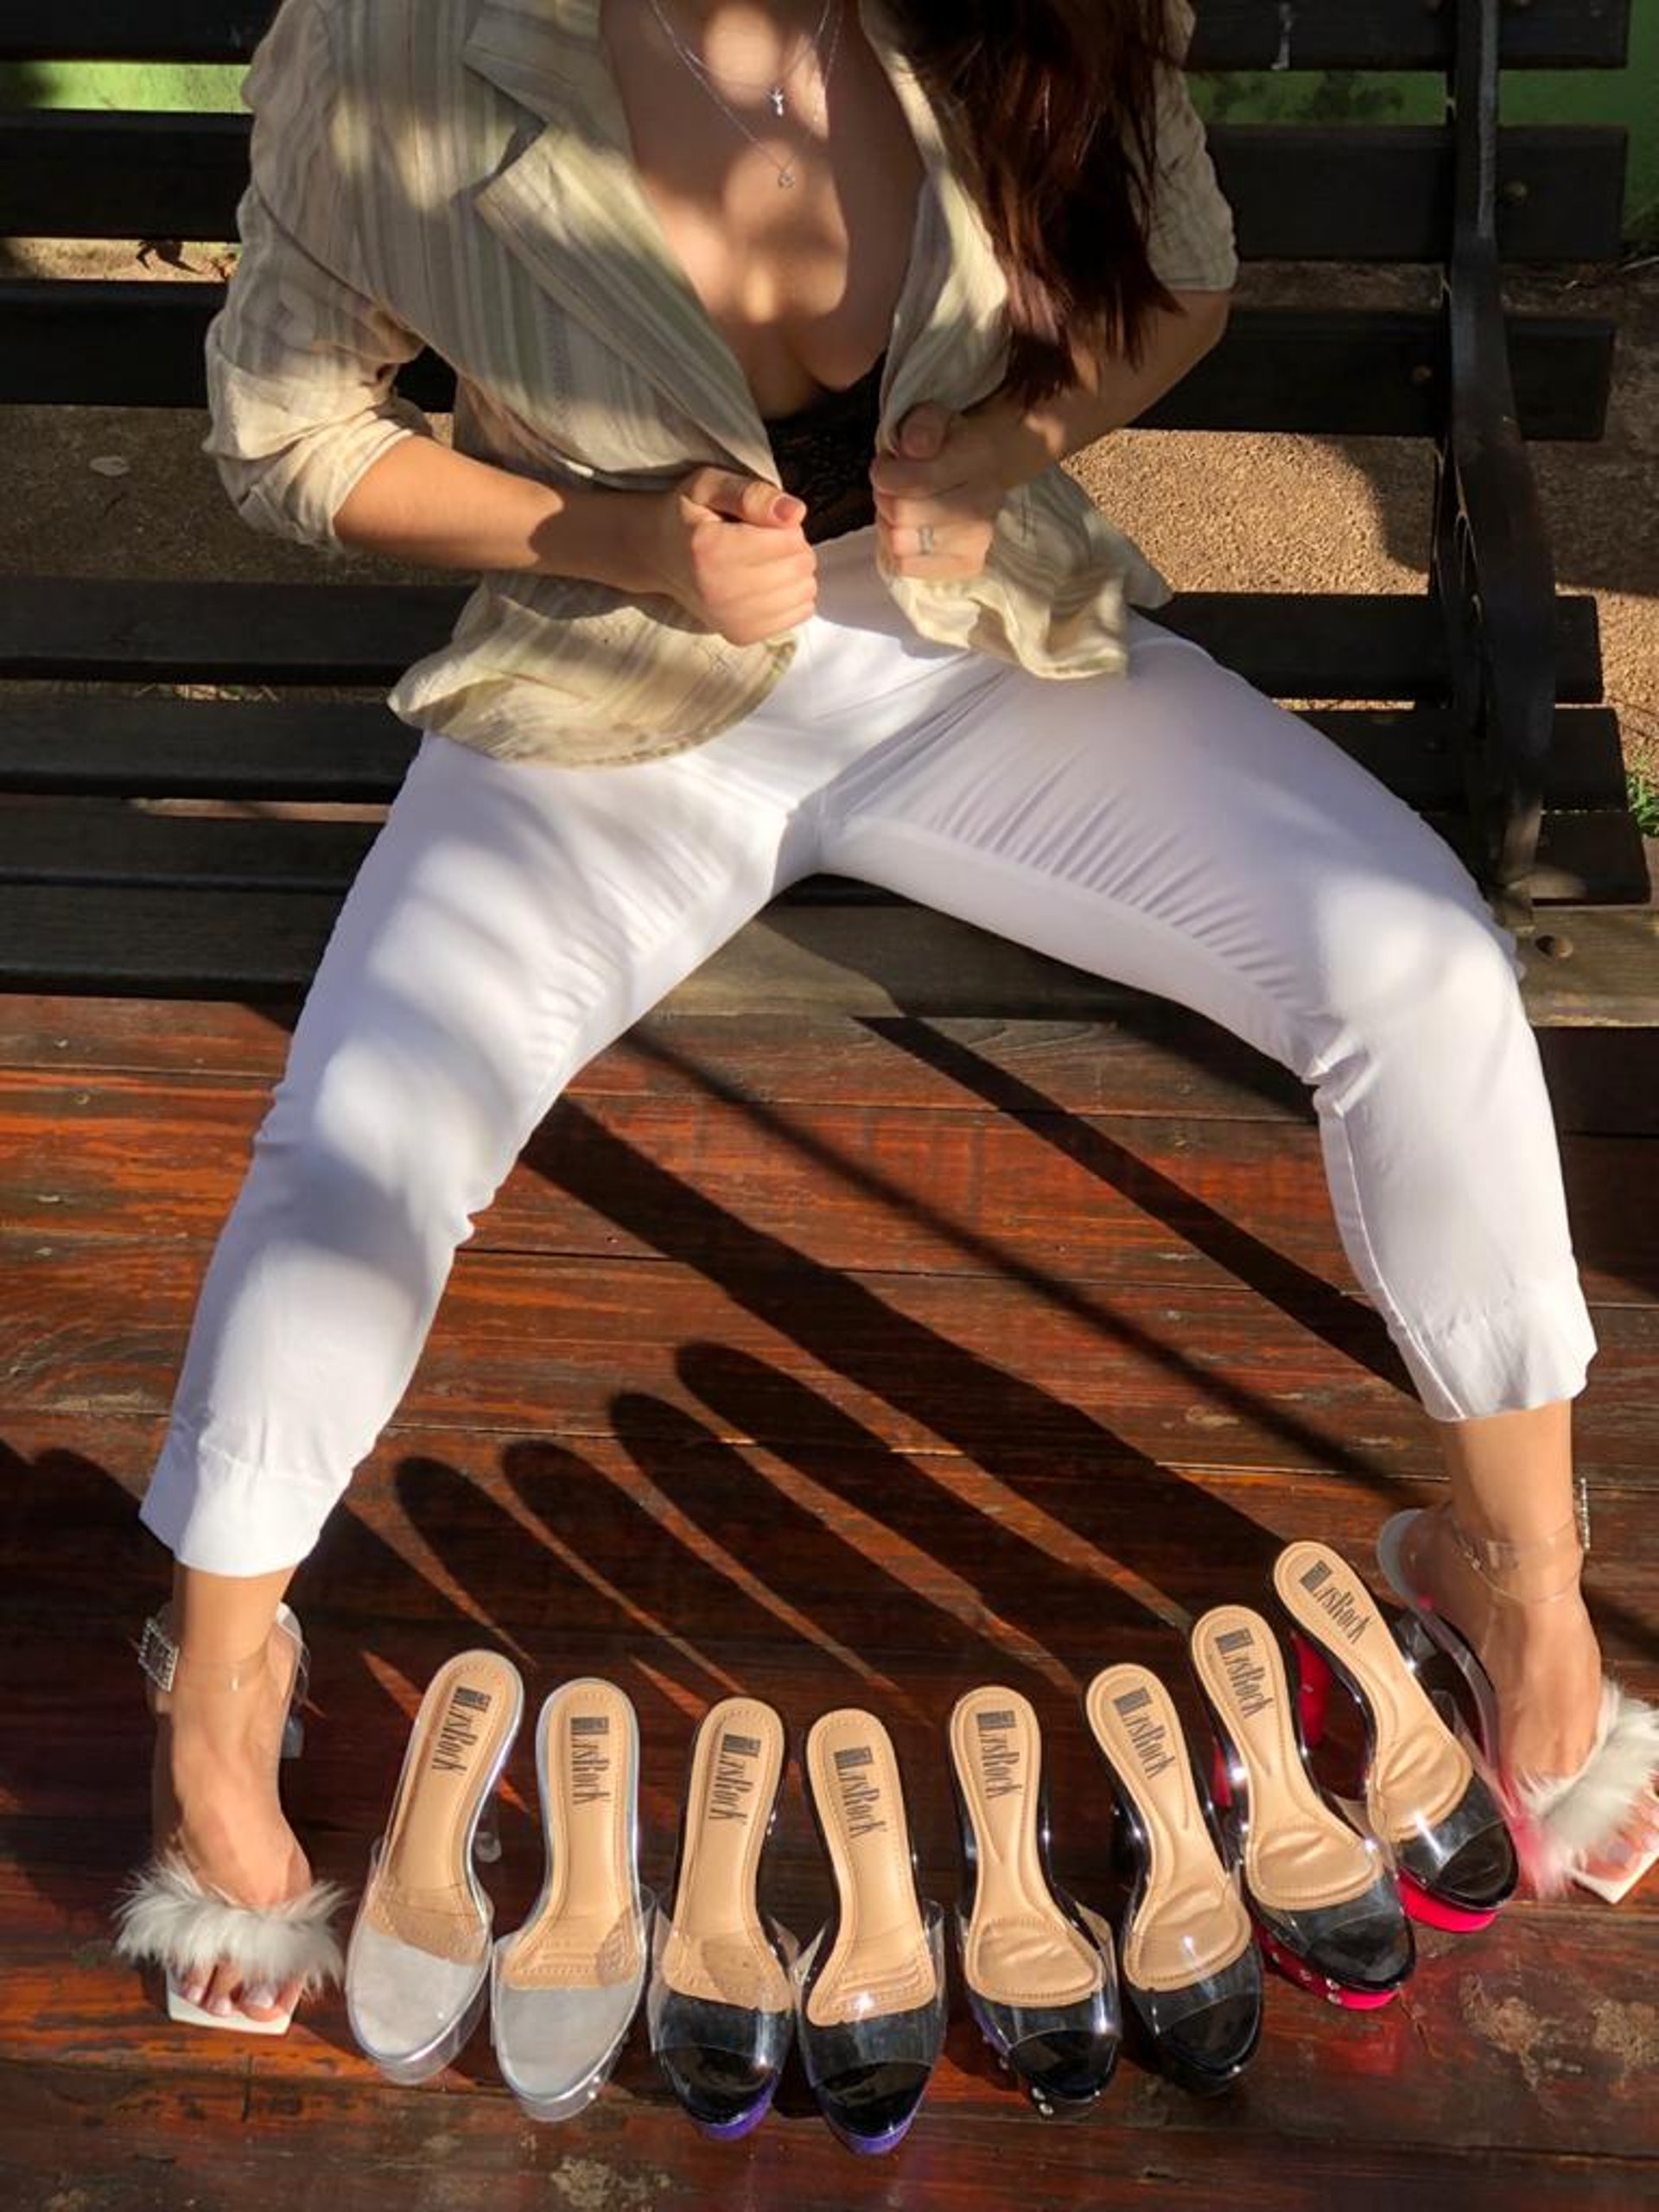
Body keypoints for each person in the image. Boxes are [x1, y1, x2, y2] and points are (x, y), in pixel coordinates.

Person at [115, 0, 1657, 2032]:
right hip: (618, 679)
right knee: (365, 1146)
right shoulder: (401, 40)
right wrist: (608, 534)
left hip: (969, 653)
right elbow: (288, 434)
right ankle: (217, 1686)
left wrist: (1011, 444)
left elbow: (1179, 277)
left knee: (1422, 961)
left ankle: (1523, 1583)